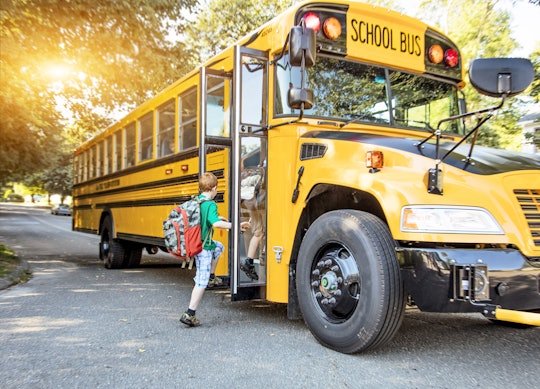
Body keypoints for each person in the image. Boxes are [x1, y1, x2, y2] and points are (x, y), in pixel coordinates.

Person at [180, 172, 249, 327]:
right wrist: (235, 226)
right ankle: (189, 313)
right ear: (213, 188)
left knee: (219, 247)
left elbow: (210, 219)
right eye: (216, 188)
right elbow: (215, 224)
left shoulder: (198, 201)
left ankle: (212, 276)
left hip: (199, 244)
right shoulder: (211, 204)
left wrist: (220, 218)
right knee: (201, 282)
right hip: (203, 249)